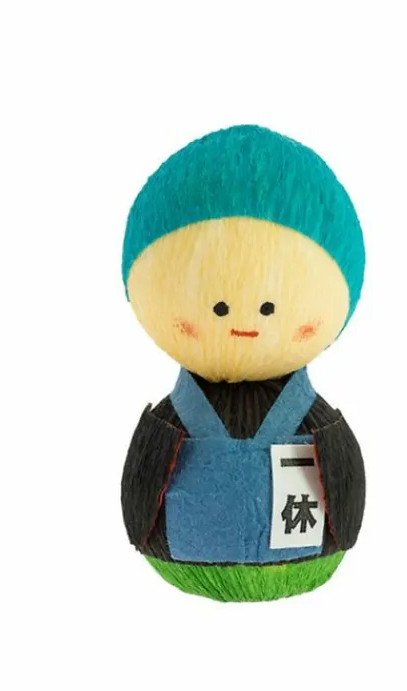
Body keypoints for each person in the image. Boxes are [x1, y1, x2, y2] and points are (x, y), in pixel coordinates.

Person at [121, 125, 366, 601]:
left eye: (270, 306)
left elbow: (345, 481)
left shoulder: (308, 415)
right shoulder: (177, 414)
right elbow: (141, 487)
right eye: (218, 306)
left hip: (306, 558)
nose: (245, 320)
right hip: (180, 559)